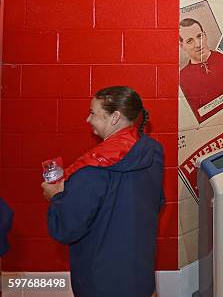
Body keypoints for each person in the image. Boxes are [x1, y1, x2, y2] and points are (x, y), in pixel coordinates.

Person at [41, 86, 164, 297]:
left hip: (102, 279)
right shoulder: (152, 150)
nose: (88, 119)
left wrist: (57, 196)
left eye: (93, 113)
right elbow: (157, 201)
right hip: (139, 274)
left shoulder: (91, 169)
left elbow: (66, 228)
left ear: (115, 117)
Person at [179, 18, 223, 123]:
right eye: (189, 41)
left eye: (199, 36)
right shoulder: (181, 79)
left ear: (205, 35)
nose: (198, 44)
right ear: (182, 46)